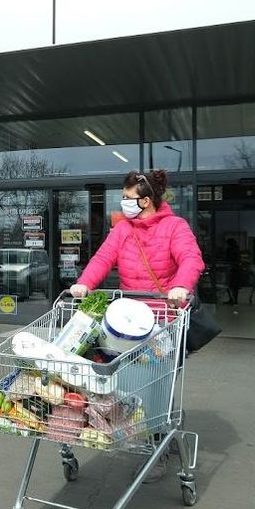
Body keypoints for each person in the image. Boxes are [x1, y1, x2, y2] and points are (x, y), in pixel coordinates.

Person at [69, 170, 204, 481]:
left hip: (164, 320)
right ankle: (158, 423)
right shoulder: (122, 230)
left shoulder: (175, 227)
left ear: (146, 200)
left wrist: (181, 286)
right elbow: (103, 258)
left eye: (128, 198)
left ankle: (157, 446)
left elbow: (191, 258)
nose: (123, 203)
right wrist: (84, 283)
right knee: (131, 380)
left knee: (155, 384)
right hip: (130, 322)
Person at [223, 238, 242, 304]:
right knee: (235, 286)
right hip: (237, 269)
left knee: (229, 285)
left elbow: (227, 259)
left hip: (231, 269)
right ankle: (235, 300)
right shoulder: (237, 250)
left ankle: (232, 299)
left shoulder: (230, 250)